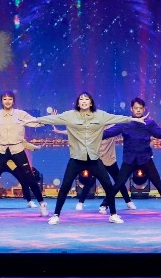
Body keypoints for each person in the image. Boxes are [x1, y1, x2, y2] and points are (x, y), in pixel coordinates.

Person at [29, 92, 141, 224]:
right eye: (81, 99)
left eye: (86, 99)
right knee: (65, 186)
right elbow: (52, 119)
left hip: (94, 159)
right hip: (77, 159)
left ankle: (113, 214)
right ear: (78, 103)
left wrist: (134, 119)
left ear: (91, 102)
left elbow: (116, 118)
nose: (83, 101)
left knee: (108, 186)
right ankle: (56, 215)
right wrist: (33, 120)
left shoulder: (100, 115)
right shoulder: (70, 115)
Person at [101, 97, 161, 213]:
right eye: (136, 108)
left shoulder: (149, 123)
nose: (138, 110)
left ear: (144, 109)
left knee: (158, 183)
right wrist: (90, 134)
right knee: (118, 184)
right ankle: (104, 205)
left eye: (140, 108)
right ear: (131, 109)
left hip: (145, 159)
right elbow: (108, 133)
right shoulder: (125, 123)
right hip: (129, 160)